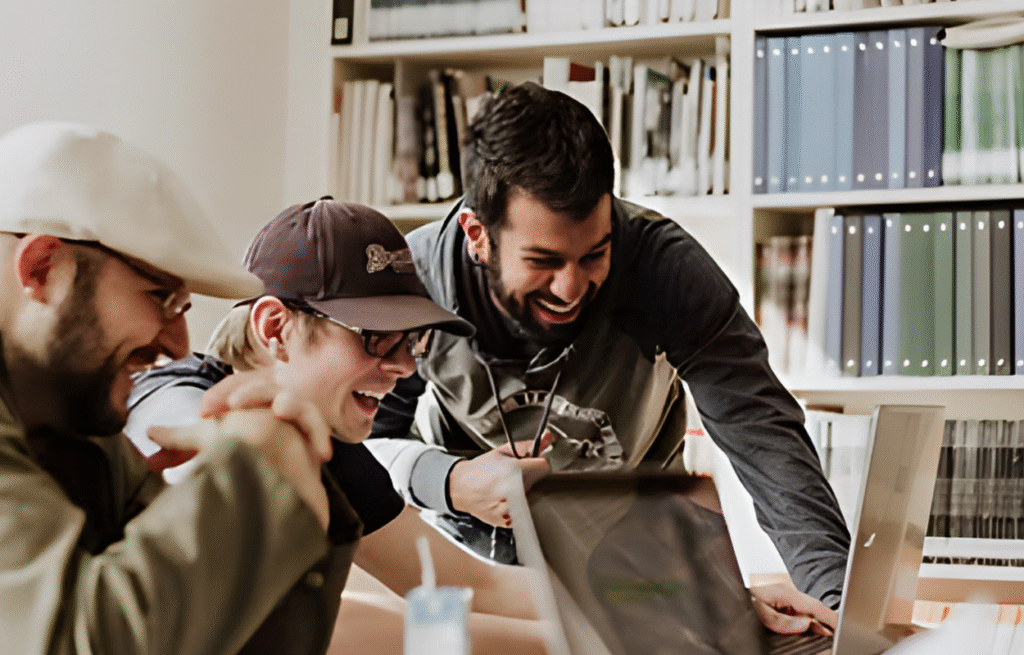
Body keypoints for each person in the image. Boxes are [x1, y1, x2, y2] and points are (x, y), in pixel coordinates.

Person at [366, 82, 852, 620]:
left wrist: (839, 613)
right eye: (543, 261)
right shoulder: (414, 282)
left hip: (639, 560)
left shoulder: (665, 269)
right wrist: (450, 482)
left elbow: (764, 436)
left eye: (594, 254)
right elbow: (361, 450)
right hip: (475, 566)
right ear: (478, 234)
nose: (570, 289)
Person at [125, 198, 548, 655]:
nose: (406, 366)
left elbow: (475, 584)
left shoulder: (322, 440)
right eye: (378, 337)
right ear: (275, 328)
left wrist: (624, 599)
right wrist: (567, 645)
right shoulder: (172, 400)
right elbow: (304, 624)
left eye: (413, 340)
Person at [0, 121, 347, 654]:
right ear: (42, 266)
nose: (180, 346)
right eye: (159, 297)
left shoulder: (82, 425)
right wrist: (258, 474)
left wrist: (296, 485)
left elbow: (222, 637)